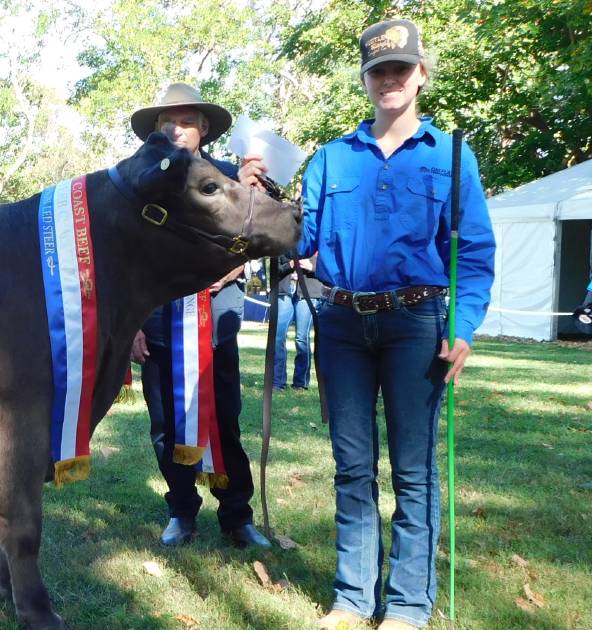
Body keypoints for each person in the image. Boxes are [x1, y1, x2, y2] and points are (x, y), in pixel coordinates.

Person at [298, 20, 495, 630]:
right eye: (378, 71)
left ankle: (408, 605)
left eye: (400, 70)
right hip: (341, 324)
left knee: (415, 469)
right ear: (365, 80)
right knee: (352, 465)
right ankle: (352, 599)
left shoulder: (453, 157)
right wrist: (258, 196)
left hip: (418, 324)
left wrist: (460, 328)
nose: (390, 80)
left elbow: (474, 253)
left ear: (421, 77)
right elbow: (300, 239)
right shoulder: (328, 159)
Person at [129, 82, 272, 549]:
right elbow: (125, 260)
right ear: (155, 129)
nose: (176, 128)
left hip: (215, 325)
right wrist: (129, 323)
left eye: (186, 120)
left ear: (205, 128)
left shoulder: (236, 179)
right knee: (166, 427)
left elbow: (264, 238)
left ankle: (237, 516)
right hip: (157, 324)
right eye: (167, 121)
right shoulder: (135, 184)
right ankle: (181, 512)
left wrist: (253, 204)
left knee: (224, 420)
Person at [273, 255, 323, 390]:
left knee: (302, 338)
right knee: (277, 336)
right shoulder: (281, 242)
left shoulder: (316, 238)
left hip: (310, 291)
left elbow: (329, 267)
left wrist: (312, 266)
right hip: (284, 292)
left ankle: (300, 383)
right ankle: (277, 382)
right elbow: (274, 269)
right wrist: (289, 265)